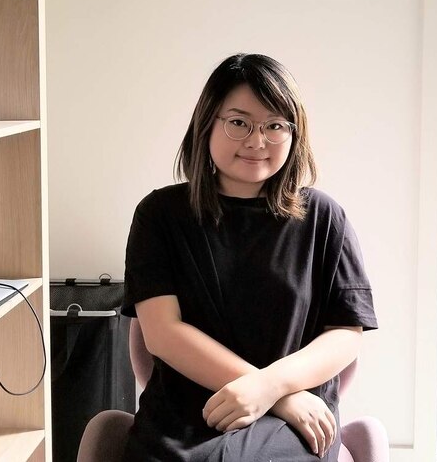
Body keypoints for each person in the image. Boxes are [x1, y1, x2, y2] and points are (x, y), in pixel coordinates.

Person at [121, 53, 378, 462]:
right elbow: (162, 333)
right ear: (208, 123)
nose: (257, 141)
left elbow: (346, 333)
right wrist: (273, 394)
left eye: (275, 125)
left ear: (294, 134)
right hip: (189, 412)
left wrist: (272, 388)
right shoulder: (159, 215)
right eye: (239, 122)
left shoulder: (324, 217)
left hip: (298, 418)